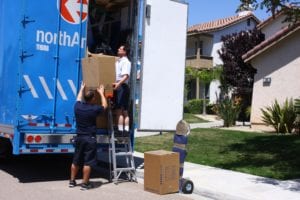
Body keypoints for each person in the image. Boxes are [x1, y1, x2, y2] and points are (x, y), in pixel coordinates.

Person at [69, 82, 107, 190]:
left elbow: (78, 98)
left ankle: (72, 181)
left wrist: (81, 88)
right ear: (93, 98)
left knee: (76, 160)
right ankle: (85, 184)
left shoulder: (78, 107)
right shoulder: (94, 109)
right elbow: (105, 106)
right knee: (88, 162)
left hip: (79, 137)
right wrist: (101, 93)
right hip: (89, 138)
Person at [112, 45, 131, 136]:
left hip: (122, 86)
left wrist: (118, 84)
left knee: (120, 110)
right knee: (122, 110)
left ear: (125, 52)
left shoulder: (125, 62)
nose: (118, 49)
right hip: (120, 86)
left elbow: (126, 76)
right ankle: (124, 130)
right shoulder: (119, 61)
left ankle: (121, 130)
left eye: (120, 49)